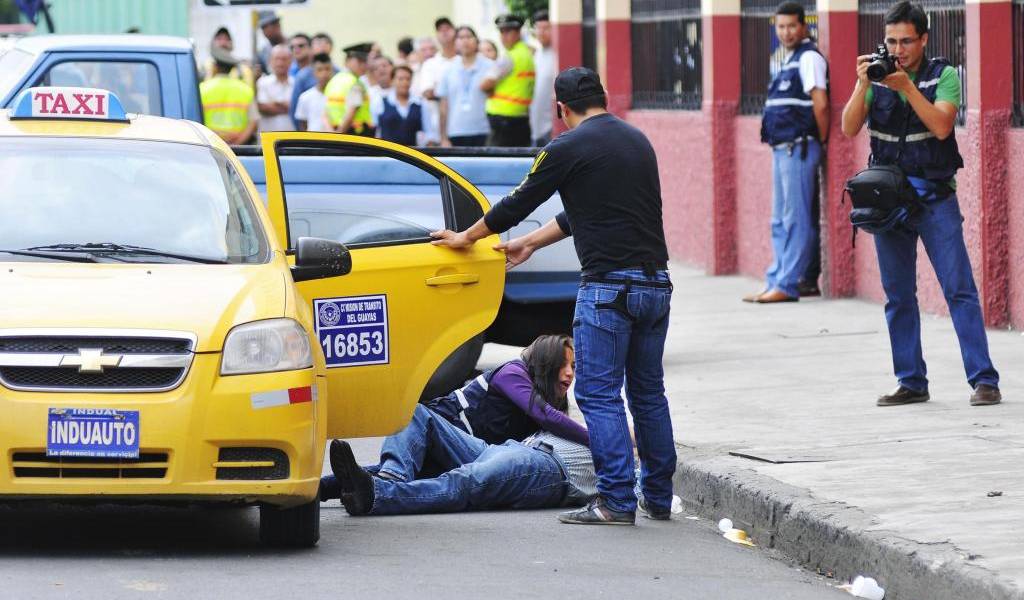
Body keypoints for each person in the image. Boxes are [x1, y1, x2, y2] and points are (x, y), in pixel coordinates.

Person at [431, 67, 675, 525]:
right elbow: (583, 212)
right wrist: (530, 243)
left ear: (561, 109)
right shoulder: (637, 141)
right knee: (648, 393)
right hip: (655, 285)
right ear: (604, 97)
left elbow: (517, 203)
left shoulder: (566, 146)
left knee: (599, 395)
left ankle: (616, 501)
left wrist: (467, 236)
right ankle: (658, 497)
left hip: (608, 289)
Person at [840, 1, 1001, 407]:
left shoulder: (943, 76)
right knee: (898, 296)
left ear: (924, 39)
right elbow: (848, 127)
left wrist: (907, 88)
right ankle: (911, 381)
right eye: (892, 41)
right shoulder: (877, 77)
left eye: (907, 41)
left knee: (958, 289)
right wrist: (862, 84)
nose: (898, 50)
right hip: (888, 202)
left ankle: (983, 379)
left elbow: (942, 125)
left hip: (934, 198)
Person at [323, 406, 596, 517]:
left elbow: (618, 487)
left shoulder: (617, 450)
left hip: (550, 467)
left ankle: (378, 495)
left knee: (466, 480)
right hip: (510, 448)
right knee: (416, 414)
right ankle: (387, 479)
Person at [743, 2, 828, 304]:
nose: (786, 32)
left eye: (792, 26)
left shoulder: (809, 58)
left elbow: (821, 104)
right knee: (779, 219)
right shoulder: (787, 59)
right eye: (781, 27)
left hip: (799, 147)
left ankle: (788, 283)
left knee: (795, 218)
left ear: (804, 26)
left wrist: (821, 141)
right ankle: (777, 279)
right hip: (782, 148)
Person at [422, 334, 586, 446]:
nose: (570, 373)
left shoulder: (553, 399)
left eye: (573, 366)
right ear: (545, 363)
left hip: (475, 451)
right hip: (439, 429)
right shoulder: (512, 373)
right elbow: (547, 416)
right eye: (562, 364)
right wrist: (594, 440)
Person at [481, 14, 535, 147]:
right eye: (501, 32)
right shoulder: (526, 53)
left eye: (508, 31)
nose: (504, 36)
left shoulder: (509, 57)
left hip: (503, 118)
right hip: (521, 117)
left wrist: (490, 90)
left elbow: (484, 85)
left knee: (495, 158)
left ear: (518, 32)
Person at [437, 25, 494, 147]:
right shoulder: (448, 69)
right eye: (461, 38)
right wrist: (443, 137)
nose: (465, 41)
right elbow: (443, 105)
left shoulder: (490, 66)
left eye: (469, 37)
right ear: (455, 42)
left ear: (476, 40)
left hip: (484, 129)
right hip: (456, 131)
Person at [200, 45, 259, 145]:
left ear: (215, 67)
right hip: (239, 146)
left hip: (210, 145)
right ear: (232, 69)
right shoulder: (245, 89)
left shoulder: (202, 88)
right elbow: (253, 122)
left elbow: (195, 121)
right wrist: (237, 143)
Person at [417, 17, 459, 146]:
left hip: (464, 128)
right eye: (440, 29)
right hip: (437, 131)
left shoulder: (464, 61)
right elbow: (428, 93)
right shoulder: (430, 64)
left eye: (448, 28)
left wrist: (440, 89)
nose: (444, 32)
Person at [324, 42, 375, 137]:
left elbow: (324, 114)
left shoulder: (333, 80)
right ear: (347, 61)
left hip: (334, 133)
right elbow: (351, 112)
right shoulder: (355, 83)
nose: (364, 65)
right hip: (354, 135)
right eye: (360, 61)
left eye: (365, 61)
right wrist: (338, 135)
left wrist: (331, 134)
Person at [371, 65, 429, 145]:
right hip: (386, 151)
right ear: (392, 81)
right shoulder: (380, 102)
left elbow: (428, 131)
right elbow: (375, 129)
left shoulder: (420, 103)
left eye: (408, 79)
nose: (404, 82)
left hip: (412, 151)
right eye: (400, 79)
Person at [289, 33, 338, 127]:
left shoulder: (339, 74)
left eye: (325, 43)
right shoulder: (302, 76)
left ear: (331, 47)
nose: (321, 47)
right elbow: (296, 110)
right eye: (318, 44)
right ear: (311, 48)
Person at [529, 10, 556, 147]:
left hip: (552, 129)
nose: (541, 32)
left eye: (546, 28)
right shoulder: (536, 55)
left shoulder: (557, 56)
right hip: (535, 129)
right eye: (538, 28)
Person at [256, 44, 295, 133]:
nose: (280, 63)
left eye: (284, 59)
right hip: (267, 136)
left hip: (291, 137)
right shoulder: (262, 82)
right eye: (277, 59)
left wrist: (275, 103)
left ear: (291, 61)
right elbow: (263, 108)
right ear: (270, 61)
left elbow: (297, 109)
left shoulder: (296, 83)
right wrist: (288, 106)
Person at [293, 53, 332, 132]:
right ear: (314, 72)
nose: (324, 74)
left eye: (327, 69)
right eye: (320, 70)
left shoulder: (339, 95)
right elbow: (302, 123)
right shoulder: (305, 97)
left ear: (332, 71)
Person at [256, 11, 286, 75]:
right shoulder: (263, 53)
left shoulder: (295, 47)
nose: (264, 31)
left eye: (265, 27)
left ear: (277, 25)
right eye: (262, 28)